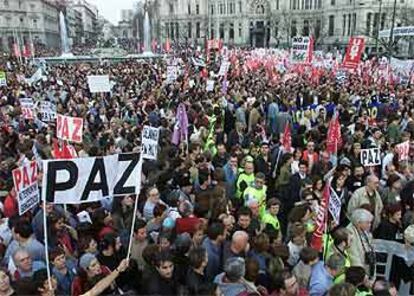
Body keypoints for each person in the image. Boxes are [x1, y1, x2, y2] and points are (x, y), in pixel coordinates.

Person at [347, 209, 376, 277]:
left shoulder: (366, 233)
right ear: (358, 223)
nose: (370, 225)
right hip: (357, 274)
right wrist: (363, 277)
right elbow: (354, 257)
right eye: (367, 223)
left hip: (367, 270)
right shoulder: (350, 233)